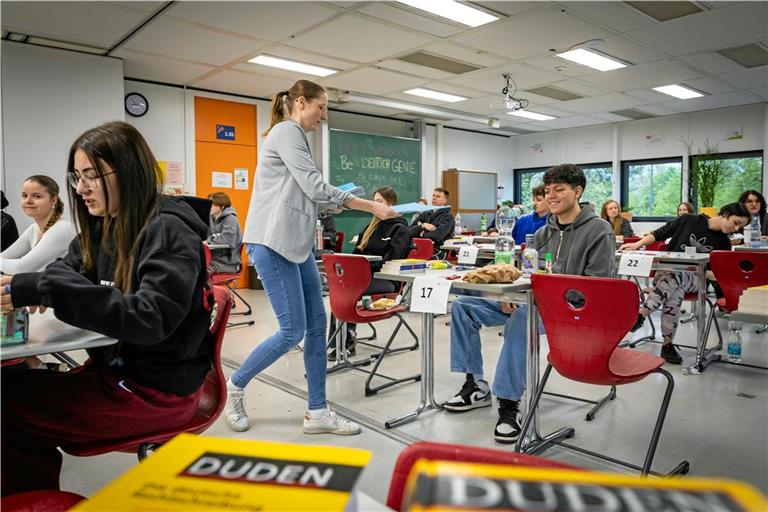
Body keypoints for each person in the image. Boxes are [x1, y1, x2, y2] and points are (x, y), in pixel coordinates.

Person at [0, 121, 213, 495]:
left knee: (6, 410)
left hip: (155, 392)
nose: (79, 188)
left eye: (91, 176)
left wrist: (43, 288)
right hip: (116, 371)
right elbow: (63, 271)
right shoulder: (104, 227)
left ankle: (31, 501)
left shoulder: (168, 230)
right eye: (77, 176)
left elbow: (150, 318)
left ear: (129, 172)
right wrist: (45, 287)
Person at [225, 79, 397, 435]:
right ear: (301, 102)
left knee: (318, 326)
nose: (324, 115)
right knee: (292, 331)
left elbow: (312, 193)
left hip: (296, 244)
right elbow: (315, 186)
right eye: (321, 107)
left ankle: (317, 412)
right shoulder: (287, 132)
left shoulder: (295, 138)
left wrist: (348, 198)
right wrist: (369, 206)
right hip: (272, 243)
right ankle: (235, 386)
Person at [444, 164, 614, 444]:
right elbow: (530, 275)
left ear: (578, 191)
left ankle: (509, 404)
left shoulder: (599, 230)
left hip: (570, 313)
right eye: (548, 191)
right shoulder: (545, 233)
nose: (552, 196)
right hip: (533, 303)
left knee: (522, 319)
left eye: (559, 190)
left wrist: (536, 302)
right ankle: (475, 385)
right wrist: (512, 297)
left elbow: (597, 288)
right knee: (463, 305)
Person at [620, 202, 751, 364]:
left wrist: (702, 271)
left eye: (740, 227)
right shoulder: (689, 220)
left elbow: (713, 274)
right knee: (675, 290)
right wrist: (637, 244)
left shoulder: (724, 243)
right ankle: (667, 345)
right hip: (667, 275)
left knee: (676, 279)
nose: (736, 229)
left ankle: (641, 314)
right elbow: (660, 233)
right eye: (736, 223)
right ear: (725, 214)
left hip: (696, 280)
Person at [332, 186, 413, 358]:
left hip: (386, 281)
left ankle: (348, 340)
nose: (374, 205)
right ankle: (337, 341)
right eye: (373, 201)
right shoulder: (372, 226)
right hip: (365, 277)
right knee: (340, 289)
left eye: (379, 202)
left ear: (390, 204)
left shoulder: (401, 230)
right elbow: (357, 254)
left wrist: (365, 268)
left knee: (348, 291)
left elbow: (392, 261)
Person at [1, 176, 76, 275]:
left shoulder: (62, 229)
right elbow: (4, 257)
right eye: (24, 195)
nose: (28, 200)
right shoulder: (34, 228)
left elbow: (20, 268)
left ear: (54, 200)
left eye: (37, 196)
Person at [206, 192, 242, 273]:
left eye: (212, 204)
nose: (209, 206)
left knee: (201, 271)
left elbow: (228, 240)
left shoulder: (231, 219)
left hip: (229, 263)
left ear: (222, 206)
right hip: (215, 259)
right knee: (193, 264)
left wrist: (208, 241)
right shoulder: (212, 219)